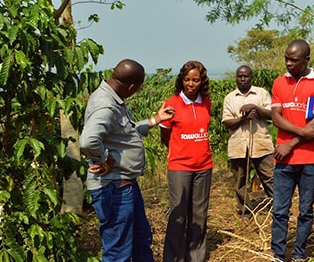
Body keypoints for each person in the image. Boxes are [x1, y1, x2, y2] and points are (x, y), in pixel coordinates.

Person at [79, 59, 175, 262]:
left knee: (141, 240)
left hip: (124, 186)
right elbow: (88, 141)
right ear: (132, 87)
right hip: (113, 188)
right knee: (118, 251)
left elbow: (123, 133)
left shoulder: (112, 98)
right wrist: (106, 158)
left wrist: (154, 120)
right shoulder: (106, 105)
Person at [270, 39, 314, 262]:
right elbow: (276, 117)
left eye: (293, 60)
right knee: (280, 211)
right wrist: (300, 133)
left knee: (305, 211)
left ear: (307, 59)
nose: (288, 63)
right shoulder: (279, 83)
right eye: (286, 58)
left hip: (309, 159)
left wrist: (291, 143)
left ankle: (298, 254)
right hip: (283, 160)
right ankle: (278, 254)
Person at [160, 61, 213, 262]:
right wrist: (179, 151)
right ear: (181, 80)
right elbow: (164, 135)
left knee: (199, 214)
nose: (191, 84)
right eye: (187, 79)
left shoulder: (206, 102)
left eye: (195, 80)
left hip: (204, 166)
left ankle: (196, 257)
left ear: (202, 82)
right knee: (178, 215)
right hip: (179, 167)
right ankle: (174, 258)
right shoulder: (171, 103)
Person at [222, 65, 274, 219]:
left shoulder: (262, 93)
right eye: (240, 76)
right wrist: (242, 119)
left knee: (269, 178)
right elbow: (226, 122)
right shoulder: (230, 98)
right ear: (236, 78)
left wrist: (256, 109)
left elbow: (272, 114)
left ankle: (280, 208)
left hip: (261, 144)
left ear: (251, 77)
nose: (243, 79)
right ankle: (245, 211)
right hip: (238, 146)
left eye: (246, 76)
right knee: (240, 181)